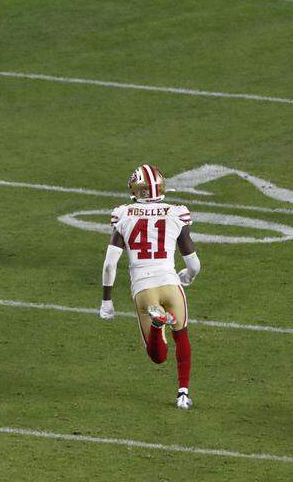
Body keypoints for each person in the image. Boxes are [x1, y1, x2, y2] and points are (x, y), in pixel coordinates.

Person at [100, 165, 200, 409]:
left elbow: (109, 266)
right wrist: (187, 275)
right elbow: (194, 264)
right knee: (182, 336)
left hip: (143, 287)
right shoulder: (176, 213)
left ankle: (157, 324)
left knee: (158, 356)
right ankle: (183, 393)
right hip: (170, 282)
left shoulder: (124, 215)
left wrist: (106, 301)